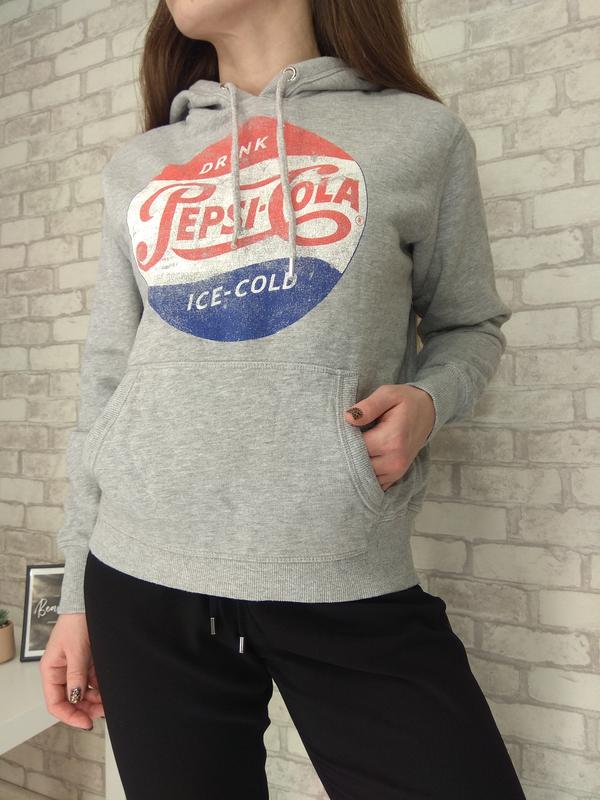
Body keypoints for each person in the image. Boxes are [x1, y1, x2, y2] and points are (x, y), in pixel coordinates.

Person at [40, 1, 527, 798]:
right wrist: (75, 598)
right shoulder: (142, 163)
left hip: (337, 567)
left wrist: (429, 402)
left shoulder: (419, 135)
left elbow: (469, 325)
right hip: (141, 578)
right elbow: (107, 375)